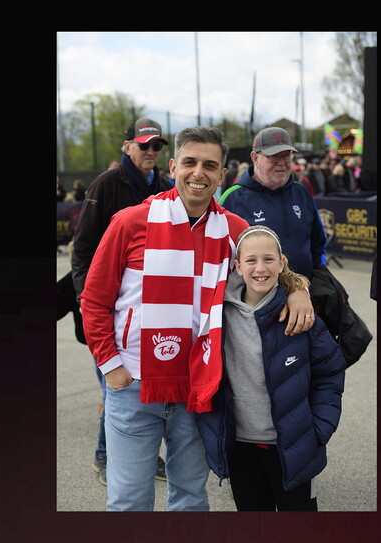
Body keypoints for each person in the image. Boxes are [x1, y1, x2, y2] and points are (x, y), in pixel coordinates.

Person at [79, 126, 316, 511]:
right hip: (134, 385)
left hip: (198, 390)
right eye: (189, 162)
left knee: (190, 500)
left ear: (222, 175)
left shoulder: (235, 231)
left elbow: (273, 266)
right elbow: (94, 299)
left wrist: (298, 290)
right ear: (173, 166)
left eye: (210, 165)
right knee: (128, 502)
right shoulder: (129, 222)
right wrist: (110, 366)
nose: (198, 173)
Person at [196, 225, 346, 511]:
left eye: (268, 259)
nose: (260, 268)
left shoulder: (300, 315)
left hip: (293, 444)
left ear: (282, 263)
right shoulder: (217, 314)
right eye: (251, 260)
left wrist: (318, 429)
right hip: (239, 445)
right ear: (237, 266)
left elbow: (330, 373)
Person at [71, 117, 173, 486]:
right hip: (105, 305)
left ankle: (147, 455)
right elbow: (81, 250)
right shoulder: (106, 183)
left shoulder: (165, 187)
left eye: (156, 146)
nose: (149, 151)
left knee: (148, 385)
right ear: (126, 146)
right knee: (115, 384)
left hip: (150, 307)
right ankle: (104, 455)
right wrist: (89, 300)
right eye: (143, 145)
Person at [218, 127, 328, 279]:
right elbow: (220, 256)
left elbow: (318, 244)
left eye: (287, 156)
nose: (282, 163)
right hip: (257, 298)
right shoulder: (232, 198)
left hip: (306, 292)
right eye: (274, 157)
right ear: (255, 158)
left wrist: (320, 274)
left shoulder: (301, 192)